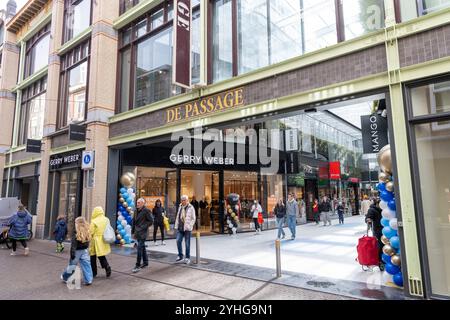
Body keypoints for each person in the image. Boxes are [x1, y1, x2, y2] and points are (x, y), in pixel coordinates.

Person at [61, 217, 93, 285]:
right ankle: (88, 280)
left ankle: (65, 277)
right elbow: (88, 243)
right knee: (87, 265)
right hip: (85, 250)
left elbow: (73, 246)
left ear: (77, 224)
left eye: (75, 222)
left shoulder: (76, 233)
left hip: (76, 252)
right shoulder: (87, 231)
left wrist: (72, 254)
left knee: (72, 266)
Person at [132, 198, 154, 273]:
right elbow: (133, 222)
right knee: (142, 247)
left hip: (143, 233)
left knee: (139, 248)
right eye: (137, 202)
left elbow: (151, 221)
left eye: (139, 203)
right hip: (137, 232)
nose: (137, 204)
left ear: (142, 203)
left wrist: (143, 227)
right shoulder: (135, 211)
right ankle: (145, 262)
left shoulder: (146, 211)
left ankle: (137, 265)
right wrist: (133, 232)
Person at [89, 207, 112, 278]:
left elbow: (91, 232)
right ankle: (107, 266)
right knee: (101, 256)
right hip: (104, 239)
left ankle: (94, 272)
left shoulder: (94, 221)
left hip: (95, 240)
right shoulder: (106, 219)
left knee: (92, 257)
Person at [175, 195, 196, 264]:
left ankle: (187, 257)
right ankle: (180, 255)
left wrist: (190, 226)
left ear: (187, 200)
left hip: (187, 229)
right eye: (182, 200)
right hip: (180, 228)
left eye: (184, 200)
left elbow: (193, 218)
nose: (183, 201)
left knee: (187, 244)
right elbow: (178, 216)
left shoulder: (191, 207)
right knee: (178, 241)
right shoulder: (180, 207)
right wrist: (176, 225)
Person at [365, 198, 384, 270]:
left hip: (385, 230)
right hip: (378, 231)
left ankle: (384, 260)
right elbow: (367, 218)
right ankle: (380, 261)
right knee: (380, 246)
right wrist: (368, 219)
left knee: (384, 246)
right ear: (377, 204)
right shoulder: (372, 210)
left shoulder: (383, 209)